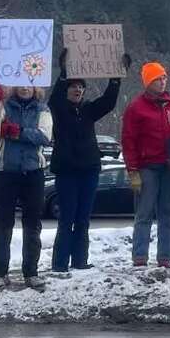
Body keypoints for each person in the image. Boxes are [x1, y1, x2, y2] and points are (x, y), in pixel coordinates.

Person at [47, 49, 125, 272]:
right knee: (67, 220)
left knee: (83, 220)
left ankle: (80, 261)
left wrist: (116, 78)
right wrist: (63, 73)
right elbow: (54, 97)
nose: (78, 90)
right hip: (67, 172)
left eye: (81, 87)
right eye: (73, 86)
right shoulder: (59, 109)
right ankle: (60, 264)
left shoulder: (89, 110)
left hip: (89, 171)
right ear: (67, 90)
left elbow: (108, 103)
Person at [122, 62, 170, 267]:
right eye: (157, 79)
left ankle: (165, 257)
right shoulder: (136, 107)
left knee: (168, 214)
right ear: (148, 82)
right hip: (147, 167)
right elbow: (128, 139)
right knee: (144, 213)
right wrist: (133, 170)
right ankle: (140, 256)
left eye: (164, 78)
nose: (162, 82)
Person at [0, 86, 53, 290]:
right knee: (3, 224)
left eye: (29, 84)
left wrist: (19, 132)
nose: (25, 88)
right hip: (5, 171)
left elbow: (45, 136)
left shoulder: (43, 110)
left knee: (32, 225)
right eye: (21, 83)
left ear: (36, 88)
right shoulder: (4, 106)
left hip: (33, 171)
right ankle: (0, 273)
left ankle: (31, 272)